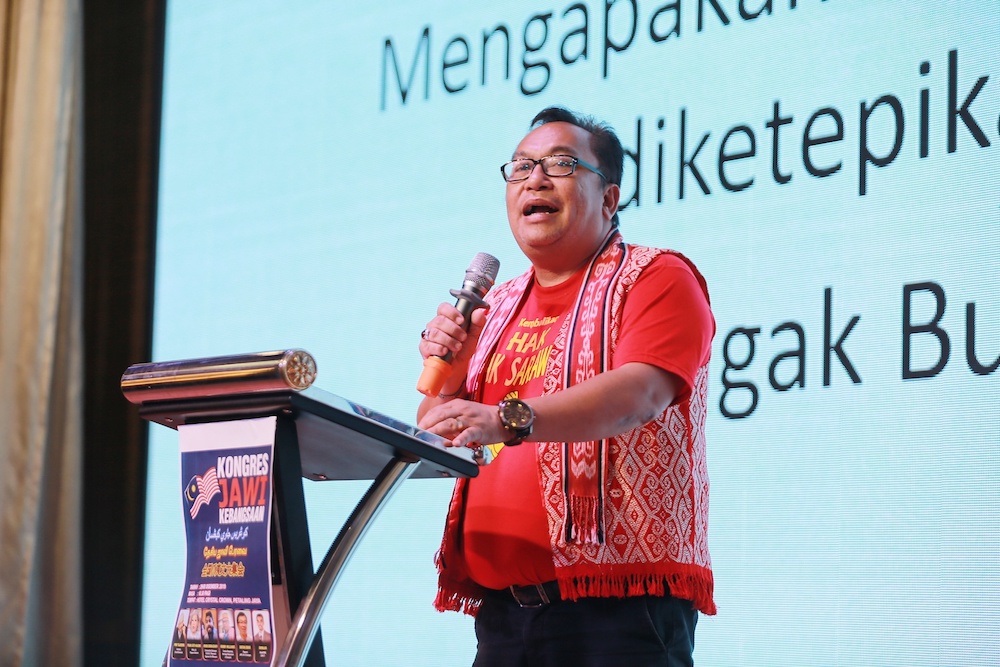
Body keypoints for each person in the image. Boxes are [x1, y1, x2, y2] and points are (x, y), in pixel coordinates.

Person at [417, 106, 716, 667]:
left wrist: (506, 419)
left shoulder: (655, 277)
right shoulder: (496, 305)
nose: (535, 179)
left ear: (608, 199)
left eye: (560, 164)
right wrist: (451, 376)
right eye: (522, 166)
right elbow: (439, 426)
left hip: (619, 616)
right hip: (502, 618)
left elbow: (638, 396)